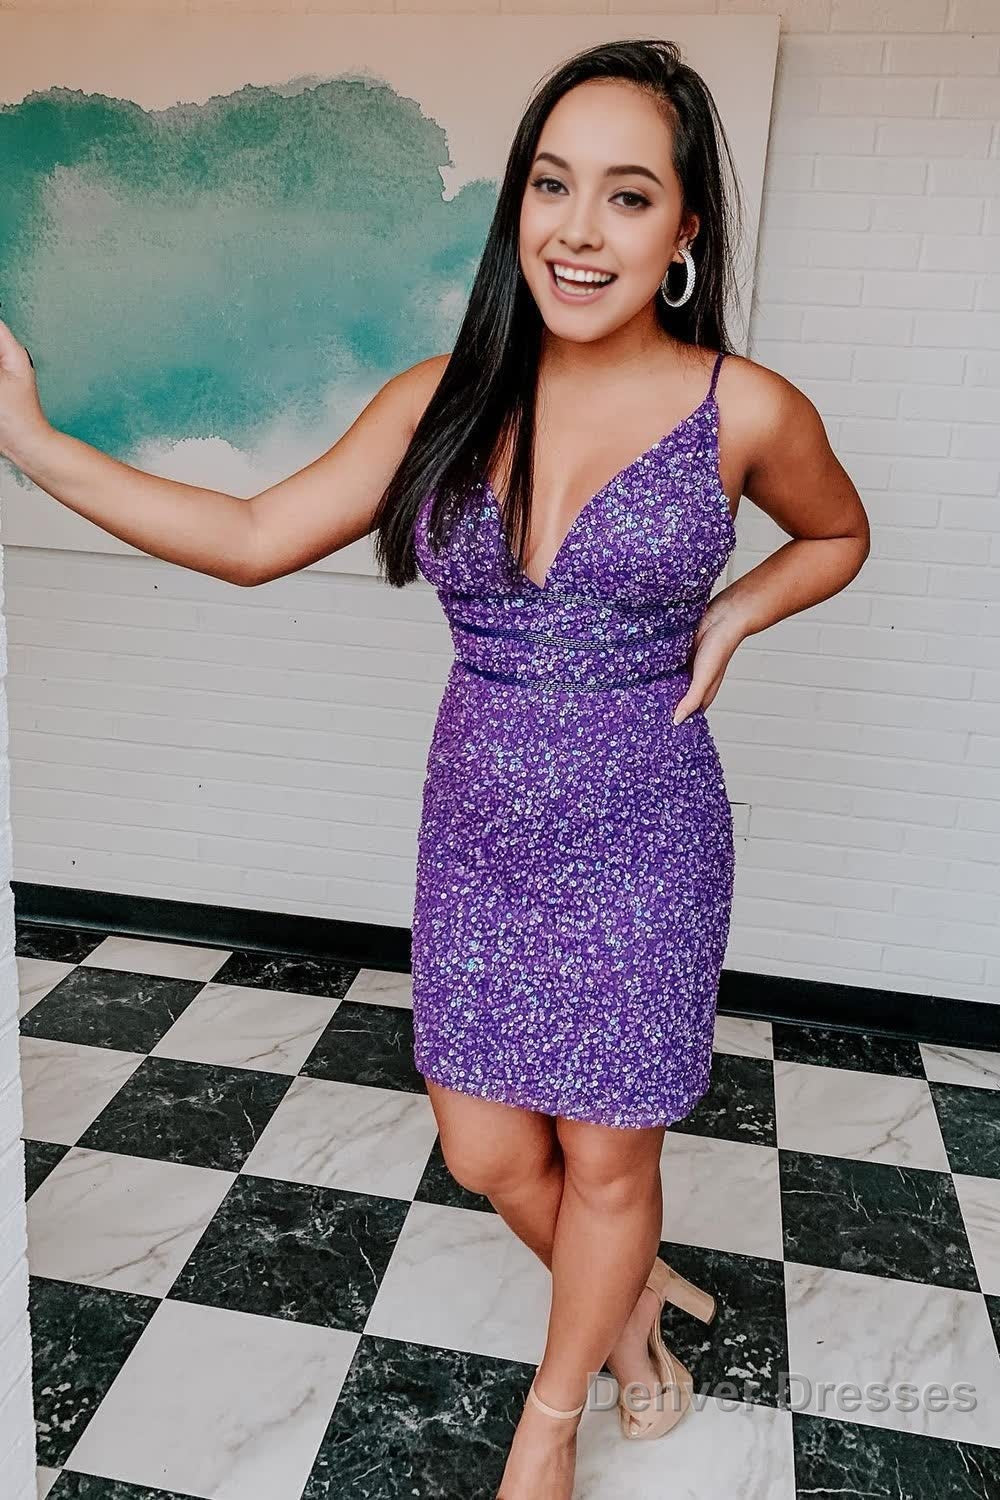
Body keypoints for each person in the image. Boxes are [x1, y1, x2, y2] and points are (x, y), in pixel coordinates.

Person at [0, 37, 869, 1500]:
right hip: (477, 832)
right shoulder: (444, 397)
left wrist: (737, 610)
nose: (579, 230)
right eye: (551, 185)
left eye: (627, 195)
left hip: (645, 831)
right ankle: (630, 1291)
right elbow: (252, 538)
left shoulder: (747, 410)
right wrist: (29, 442)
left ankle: (566, 1411)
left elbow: (838, 534)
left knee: (609, 1160)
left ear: (684, 230)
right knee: (484, 1151)